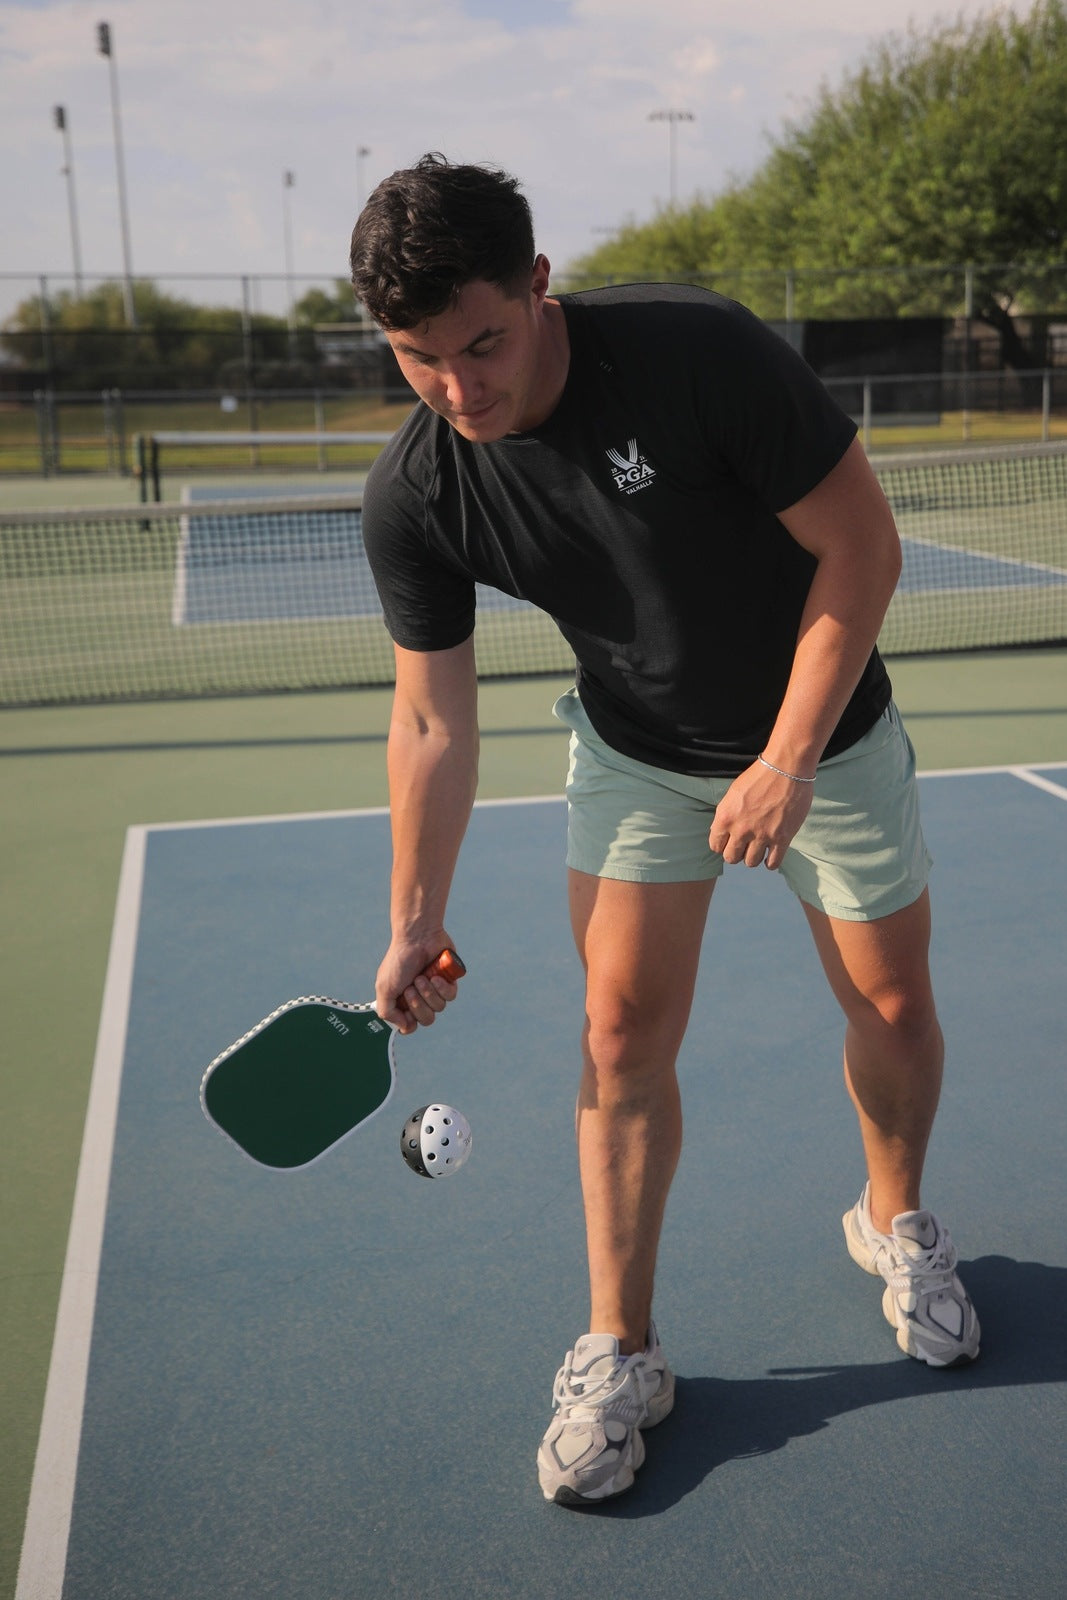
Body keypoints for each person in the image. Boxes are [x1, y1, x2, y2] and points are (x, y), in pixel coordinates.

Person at [349, 152, 980, 1508]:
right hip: (636, 756)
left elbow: (862, 547)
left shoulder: (699, 358)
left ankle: (896, 1220)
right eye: (417, 359)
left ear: (538, 284)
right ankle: (621, 1348)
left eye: (483, 345)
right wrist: (414, 914)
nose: (460, 390)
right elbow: (430, 724)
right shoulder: (421, 491)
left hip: (827, 731)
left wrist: (790, 757)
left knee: (892, 1000)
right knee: (621, 1032)